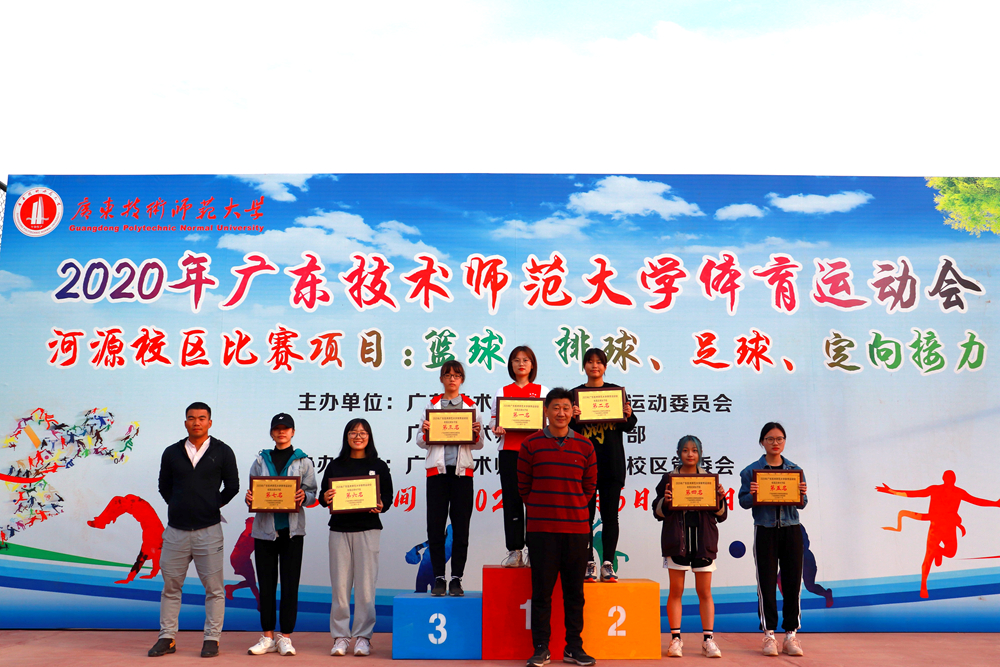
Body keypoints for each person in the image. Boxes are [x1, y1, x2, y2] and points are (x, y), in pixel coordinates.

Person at [149, 402, 239, 659]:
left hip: (208, 531)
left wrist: (210, 505)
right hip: (175, 532)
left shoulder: (223, 451)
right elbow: (164, 486)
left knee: (214, 589)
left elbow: (232, 486)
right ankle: (167, 638)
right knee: (171, 587)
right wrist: (180, 505)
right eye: (191, 418)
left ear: (210, 422)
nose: (196, 422)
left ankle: (212, 639)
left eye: (201, 418)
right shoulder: (171, 452)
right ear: (185, 422)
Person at [518, 388, 597, 667]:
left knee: (575, 594)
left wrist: (572, 507)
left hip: (576, 530)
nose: (561, 413)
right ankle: (541, 648)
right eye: (555, 407)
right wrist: (543, 508)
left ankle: (574, 647)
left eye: (566, 408)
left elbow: (589, 487)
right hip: (542, 531)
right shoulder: (530, 444)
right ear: (546, 411)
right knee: (542, 593)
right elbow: (524, 487)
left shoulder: (586, 446)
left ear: (573, 411)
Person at [244, 413, 318, 657]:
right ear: (271, 433)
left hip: (292, 532)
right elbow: (253, 492)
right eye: (277, 428)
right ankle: (267, 636)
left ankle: (285, 637)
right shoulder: (260, 460)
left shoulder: (304, 461)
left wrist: (303, 496)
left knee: (289, 585)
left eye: (286, 428)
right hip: (264, 532)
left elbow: (312, 493)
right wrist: (250, 498)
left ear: (293, 432)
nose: (281, 432)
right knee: (266, 585)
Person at [320, 418, 393, 657]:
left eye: (363, 433)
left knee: (365, 588)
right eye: (353, 432)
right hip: (339, 531)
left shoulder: (378, 466)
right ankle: (340, 637)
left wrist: (381, 504)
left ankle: (363, 637)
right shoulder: (335, 465)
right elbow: (322, 497)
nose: (358, 437)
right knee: (340, 587)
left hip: (368, 530)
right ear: (347, 436)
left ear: (369, 437)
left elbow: (388, 497)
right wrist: (326, 497)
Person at [652, 435, 727, 659]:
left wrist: (719, 498)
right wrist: (666, 501)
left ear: (700, 453)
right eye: (685, 450)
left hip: (704, 542)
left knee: (704, 592)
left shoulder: (709, 479)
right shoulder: (668, 479)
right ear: (678, 453)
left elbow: (721, 515)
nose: (690, 454)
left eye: (694, 450)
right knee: (676, 591)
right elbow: (657, 511)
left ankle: (708, 640)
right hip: (677, 542)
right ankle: (676, 639)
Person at [738, 422, 808, 657]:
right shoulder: (751, 471)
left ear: (784, 441)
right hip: (765, 530)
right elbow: (743, 502)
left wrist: (801, 493)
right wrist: (753, 494)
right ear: (762, 442)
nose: (775, 443)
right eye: (770, 439)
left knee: (792, 583)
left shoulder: (795, 470)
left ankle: (791, 635)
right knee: (766, 584)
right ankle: (769, 635)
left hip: (791, 529)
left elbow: (802, 503)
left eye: (779, 439)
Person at [416, 359, 483, 596]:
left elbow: (479, 444)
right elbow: (420, 441)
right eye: (448, 375)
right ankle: (438, 578)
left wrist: (475, 434)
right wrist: (426, 431)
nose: (452, 379)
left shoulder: (471, 406)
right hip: (437, 474)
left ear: (462, 379)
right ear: (441, 379)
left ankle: (456, 579)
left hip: (462, 474)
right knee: (435, 527)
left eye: (456, 375)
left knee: (461, 529)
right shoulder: (431, 406)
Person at [570, 348, 637, 583]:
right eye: (590, 361)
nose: (594, 366)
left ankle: (607, 563)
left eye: (599, 362)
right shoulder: (575, 395)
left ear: (605, 366)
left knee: (610, 517)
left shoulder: (616, 393)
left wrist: (627, 413)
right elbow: (567, 430)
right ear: (584, 366)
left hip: (611, 464)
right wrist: (573, 417)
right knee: (584, 518)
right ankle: (588, 562)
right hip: (583, 466)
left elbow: (629, 425)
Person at [490, 345, 549, 568]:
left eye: (525, 360)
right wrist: (497, 427)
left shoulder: (543, 391)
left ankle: (535, 549)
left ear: (532, 365)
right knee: (512, 501)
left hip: (537, 453)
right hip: (509, 453)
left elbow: (551, 422)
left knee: (536, 502)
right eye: (516, 360)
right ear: (511, 365)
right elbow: (493, 420)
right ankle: (515, 551)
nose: (521, 363)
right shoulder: (503, 391)